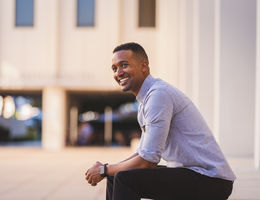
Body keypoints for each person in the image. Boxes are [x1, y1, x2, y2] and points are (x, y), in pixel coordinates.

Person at [85, 42, 236, 200]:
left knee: (124, 178)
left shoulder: (159, 95)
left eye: (124, 65)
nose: (119, 73)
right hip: (193, 175)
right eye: (114, 68)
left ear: (144, 66)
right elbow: (142, 153)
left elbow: (148, 161)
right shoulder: (146, 101)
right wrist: (109, 169)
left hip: (211, 180)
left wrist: (104, 170)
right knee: (116, 175)